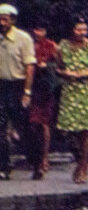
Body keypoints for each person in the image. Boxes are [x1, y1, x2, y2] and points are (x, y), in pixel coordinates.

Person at [56, 19, 88, 184]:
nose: (82, 33)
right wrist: (65, 73)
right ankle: (79, 160)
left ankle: (83, 166)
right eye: (78, 30)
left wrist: (82, 74)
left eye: (84, 29)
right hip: (70, 90)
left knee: (86, 130)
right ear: (71, 30)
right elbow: (58, 67)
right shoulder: (62, 46)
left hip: (87, 91)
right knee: (69, 129)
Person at [0, 3, 35, 180]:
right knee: (0, 128)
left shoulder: (23, 38)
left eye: (5, 19)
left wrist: (27, 91)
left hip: (17, 85)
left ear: (12, 20)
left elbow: (29, 66)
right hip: (1, 85)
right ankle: (4, 167)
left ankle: (36, 162)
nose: (1, 23)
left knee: (23, 126)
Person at [26, 24, 58, 180]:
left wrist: (47, 66)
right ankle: (36, 160)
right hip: (32, 88)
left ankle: (44, 158)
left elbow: (60, 66)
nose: (37, 32)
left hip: (45, 89)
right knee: (32, 124)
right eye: (35, 29)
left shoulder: (52, 46)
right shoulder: (30, 45)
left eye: (40, 29)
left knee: (44, 124)